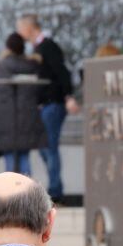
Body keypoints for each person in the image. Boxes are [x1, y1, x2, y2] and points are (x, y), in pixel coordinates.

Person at [16, 14, 72, 201]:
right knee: (44, 147)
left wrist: (68, 96)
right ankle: (55, 188)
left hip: (53, 104)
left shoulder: (48, 46)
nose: (19, 32)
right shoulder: (39, 48)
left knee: (49, 146)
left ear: (29, 28)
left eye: (20, 28)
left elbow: (61, 71)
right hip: (45, 106)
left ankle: (56, 191)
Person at [0, 33, 45, 176]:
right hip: (27, 121)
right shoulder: (32, 67)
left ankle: (11, 197)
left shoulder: (0, 67)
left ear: (8, 48)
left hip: (6, 121)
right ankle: (29, 196)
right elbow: (39, 94)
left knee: (10, 161)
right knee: (24, 159)